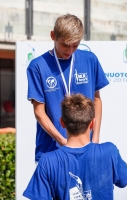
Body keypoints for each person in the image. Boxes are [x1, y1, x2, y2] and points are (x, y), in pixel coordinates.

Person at [27, 14, 109, 162]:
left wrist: (95, 140)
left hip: (86, 150)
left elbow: (97, 100)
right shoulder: (37, 66)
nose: (70, 51)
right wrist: (64, 142)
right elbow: (39, 112)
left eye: (75, 46)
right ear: (53, 36)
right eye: (65, 45)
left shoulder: (90, 60)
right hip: (52, 152)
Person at [23, 93, 127, 200]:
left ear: (62, 123)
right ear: (92, 123)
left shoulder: (47, 161)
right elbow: (123, 181)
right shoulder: (110, 151)